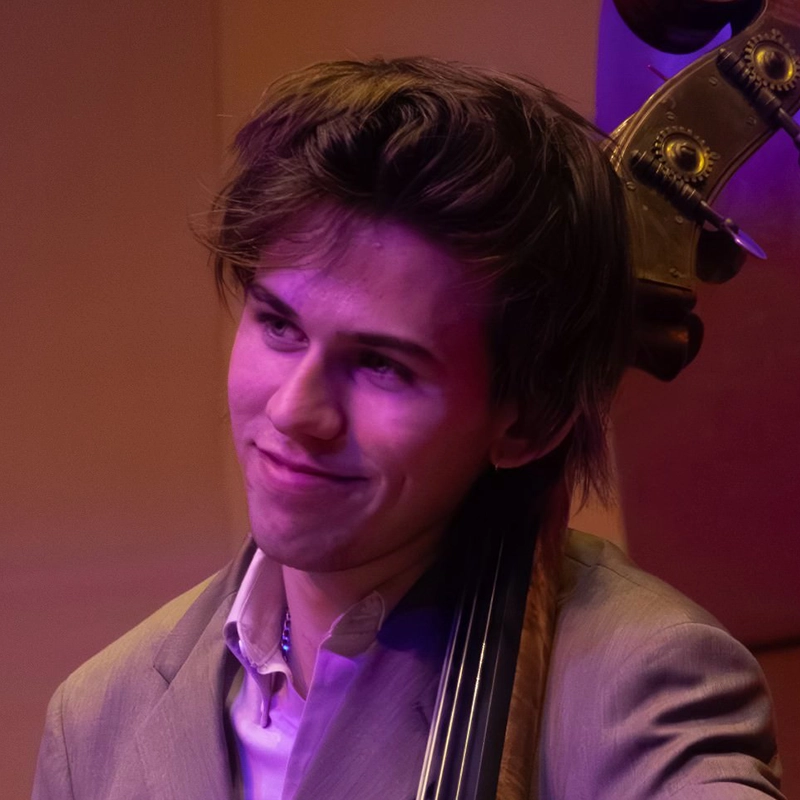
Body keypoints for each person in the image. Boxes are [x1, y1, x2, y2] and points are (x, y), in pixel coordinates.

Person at [32, 57, 783, 799]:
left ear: (530, 424)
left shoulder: (641, 682)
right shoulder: (96, 723)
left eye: (382, 366)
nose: (295, 411)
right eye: (279, 326)